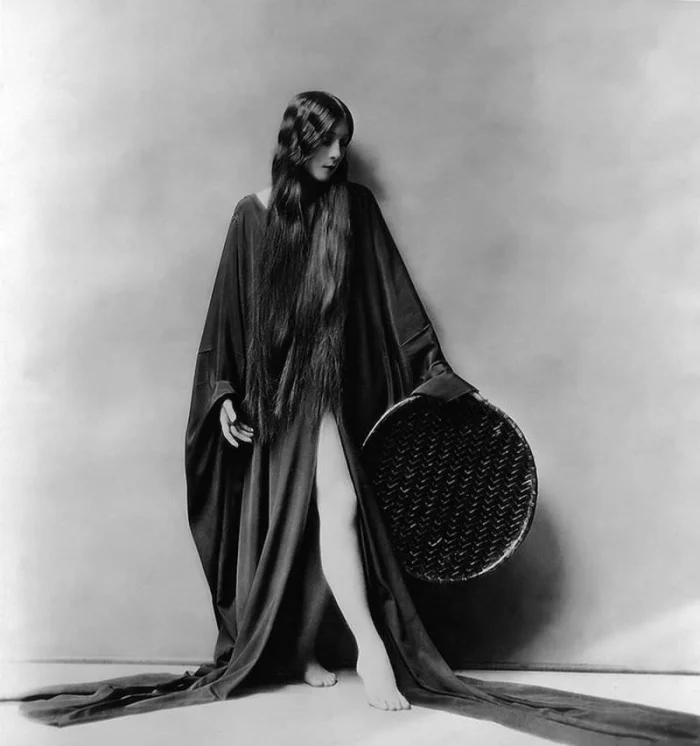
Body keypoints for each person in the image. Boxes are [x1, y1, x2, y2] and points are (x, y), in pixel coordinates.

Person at [10, 91, 700, 745]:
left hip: (325, 389)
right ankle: (305, 648)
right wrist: (221, 395)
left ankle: (370, 648)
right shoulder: (251, 215)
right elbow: (226, 319)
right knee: (300, 526)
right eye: (326, 140)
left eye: (344, 140)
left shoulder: (354, 208)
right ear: (297, 142)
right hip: (272, 398)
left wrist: (433, 371)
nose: (338, 153)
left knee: (336, 506)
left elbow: (395, 296)